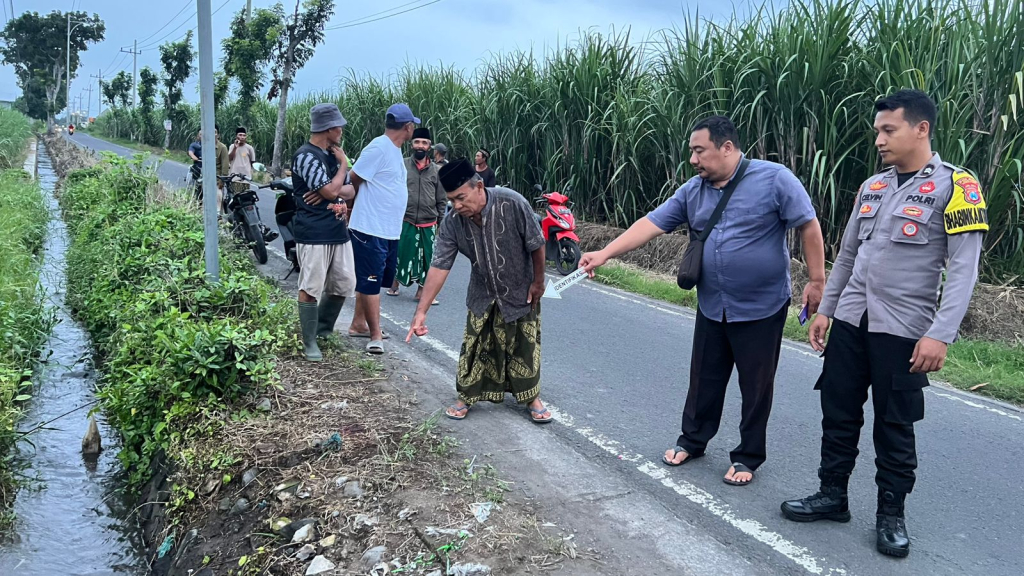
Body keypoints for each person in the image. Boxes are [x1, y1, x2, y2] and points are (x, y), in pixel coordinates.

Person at [780, 90, 987, 558]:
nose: (879, 139)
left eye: (888, 130)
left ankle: (890, 513)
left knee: (894, 425)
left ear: (921, 129)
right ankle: (832, 495)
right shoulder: (873, 187)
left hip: (904, 329)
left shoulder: (957, 187)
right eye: (877, 130)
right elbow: (849, 254)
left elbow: (963, 269)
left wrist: (940, 333)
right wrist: (826, 309)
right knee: (838, 411)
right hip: (852, 320)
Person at [580, 115, 826, 486]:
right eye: (691, 152)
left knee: (756, 386)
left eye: (699, 151)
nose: (693, 160)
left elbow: (808, 225)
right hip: (714, 304)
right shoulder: (693, 191)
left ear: (726, 147)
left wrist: (818, 280)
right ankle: (693, 440)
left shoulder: (774, 179)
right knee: (704, 378)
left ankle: (747, 456)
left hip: (761, 307)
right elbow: (651, 223)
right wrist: (605, 253)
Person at [406, 158, 552, 423]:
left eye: (461, 198)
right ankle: (466, 396)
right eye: (451, 200)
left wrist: (538, 282)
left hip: (521, 289)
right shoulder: (452, 221)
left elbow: (536, 243)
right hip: (482, 292)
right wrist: (421, 312)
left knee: (524, 346)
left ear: (479, 186)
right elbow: (440, 265)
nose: (457, 206)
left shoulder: (513, 202)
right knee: (475, 346)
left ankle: (532, 397)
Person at [345, 103, 419, 355]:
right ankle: (375, 335)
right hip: (370, 227)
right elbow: (354, 177)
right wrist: (351, 207)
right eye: (413, 126)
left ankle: (358, 323)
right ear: (407, 127)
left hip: (387, 229)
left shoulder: (393, 149)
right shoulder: (378, 147)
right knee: (371, 281)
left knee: (373, 278)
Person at [290, 103, 358, 362]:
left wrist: (332, 187)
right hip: (314, 232)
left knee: (344, 282)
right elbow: (331, 192)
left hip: (338, 230)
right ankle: (309, 341)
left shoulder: (333, 154)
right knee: (311, 285)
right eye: (338, 126)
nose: (341, 130)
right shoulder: (306, 156)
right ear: (329, 128)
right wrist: (342, 168)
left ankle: (323, 330)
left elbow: (349, 192)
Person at [387, 127, 447, 301]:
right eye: (417, 142)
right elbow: (392, 192)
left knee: (427, 258)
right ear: (412, 144)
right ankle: (395, 284)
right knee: (401, 252)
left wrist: (440, 221)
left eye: (424, 143)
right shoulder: (402, 165)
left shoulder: (436, 171)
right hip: (405, 219)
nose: (420, 145)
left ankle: (422, 291)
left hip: (429, 221)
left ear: (429, 146)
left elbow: (441, 199)